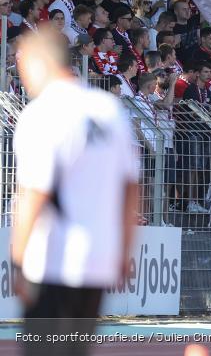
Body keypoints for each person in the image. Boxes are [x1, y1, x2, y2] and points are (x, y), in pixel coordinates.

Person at [11, 30, 140, 355]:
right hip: (98, 258)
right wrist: (124, 252)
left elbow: (34, 194)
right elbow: (130, 189)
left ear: (38, 63)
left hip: (54, 260)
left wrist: (19, 262)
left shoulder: (42, 114)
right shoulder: (109, 110)